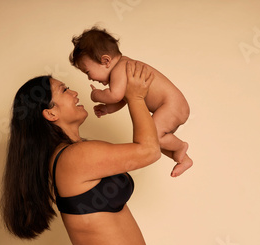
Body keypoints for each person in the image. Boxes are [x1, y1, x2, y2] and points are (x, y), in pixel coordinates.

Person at [0, 62, 160, 245]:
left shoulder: (83, 150)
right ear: (50, 113)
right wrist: (135, 96)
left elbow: (149, 144)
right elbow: (148, 151)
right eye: (64, 90)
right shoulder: (76, 157)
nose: (74, 93)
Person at [70, 26, 193, 177]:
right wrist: (108, 109)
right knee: (153, 140)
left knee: (152, 135)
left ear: (106, 60)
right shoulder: (123, 69)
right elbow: (124, 98)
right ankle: (183, 159)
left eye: (88, 72)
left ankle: (181, 146)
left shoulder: (121, 68)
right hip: (172, 106)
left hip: (172, 105)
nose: (90, 78)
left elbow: (115, 96)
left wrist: (96, 95)